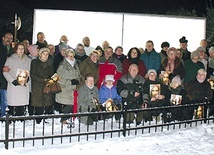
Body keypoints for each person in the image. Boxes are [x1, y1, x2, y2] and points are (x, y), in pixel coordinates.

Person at [3, 42, 31, 117]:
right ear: (16, 49)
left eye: (22, 49)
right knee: (14, 102)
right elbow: (5, 72)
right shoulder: (10, 59)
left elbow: (31, 72)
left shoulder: (28, 60)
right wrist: (12, 80)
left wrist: (28, 78)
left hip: (24, 86)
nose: (21, 50)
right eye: (19, 49)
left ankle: (21, 117)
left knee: (22, 103)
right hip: (14, 86)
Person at [55, 49, 80, 124]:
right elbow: (59, 78)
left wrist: (78, 80)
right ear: (66, 56)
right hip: (65, 88)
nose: (71, 58)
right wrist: (70, 82)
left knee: (72, 104)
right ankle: (64, 119)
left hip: (73, 88)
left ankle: (67, 118)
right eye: (69, 56)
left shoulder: (75, 65)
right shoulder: (62, 66)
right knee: (68, 104)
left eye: (72, 56)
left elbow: (78, 75)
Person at [30, 48, 54, 123]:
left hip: (47, 85)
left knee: (47, 102)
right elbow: (33, 75)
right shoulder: (34, 62)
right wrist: (43, 80)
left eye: (47, 54)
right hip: (38, 86)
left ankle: (45, 117)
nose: (45, 56)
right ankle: (38, 119)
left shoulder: (50, 62)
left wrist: (52, 79)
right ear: (40, 54)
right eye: (44, 54)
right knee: (39, 103)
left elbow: (52, 73)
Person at [0, 32, 14, 117]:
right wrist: (2, 68)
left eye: (11, 38)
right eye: (7, 37)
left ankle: (3, 114)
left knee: (4, 98)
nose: (9, 39)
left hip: (6, 78)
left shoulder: (12, 50)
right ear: (3, 38)